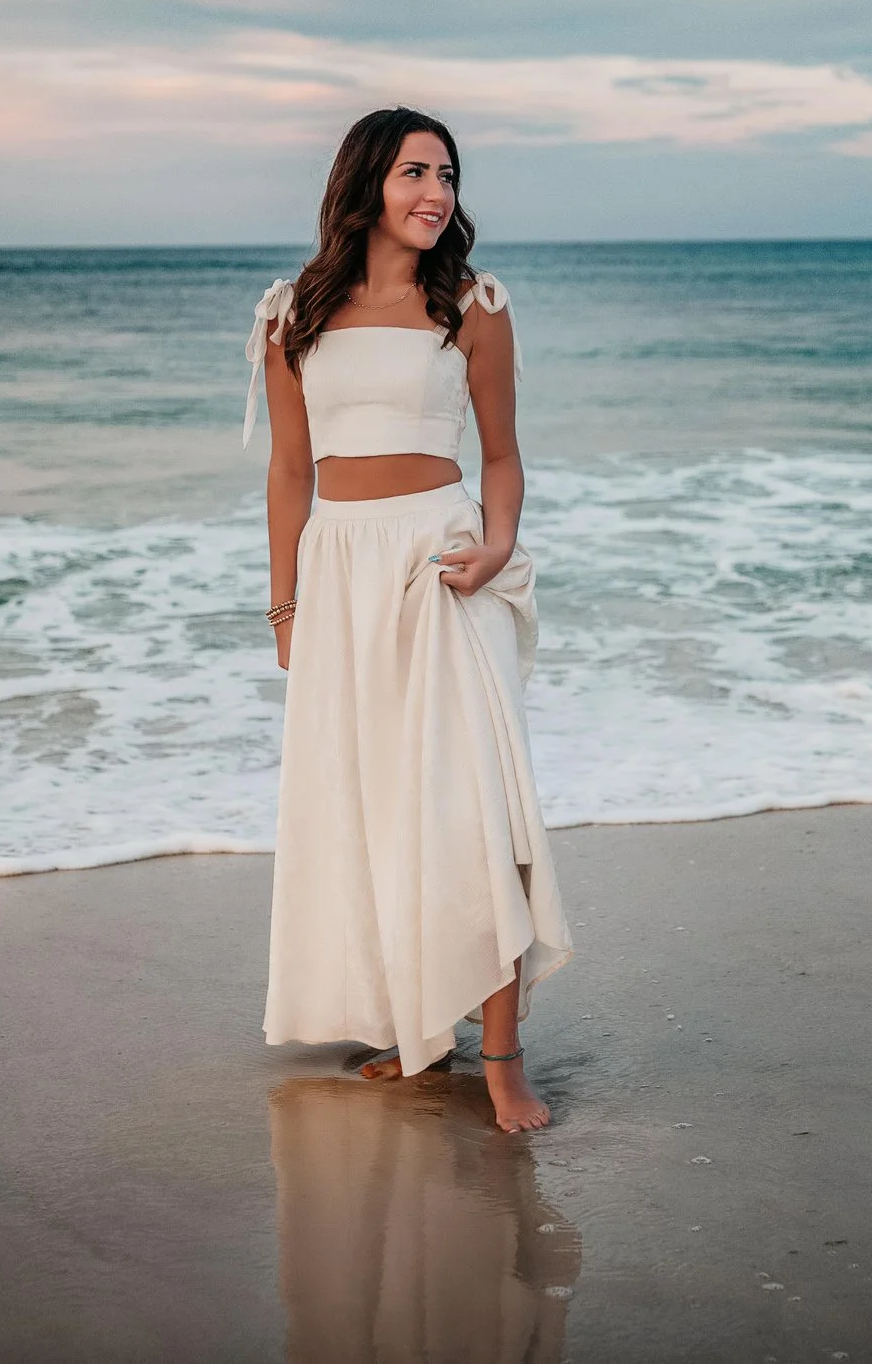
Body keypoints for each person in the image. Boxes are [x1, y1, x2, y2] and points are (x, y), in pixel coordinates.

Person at [248, 107, 572, 1134]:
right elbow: (290, 471)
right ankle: (419, 1028)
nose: (436, 191)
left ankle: (506, 1054)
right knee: (374, 805)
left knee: (472, 803)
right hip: (339, 571)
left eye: (447, 172)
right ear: (363, 185)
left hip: (440, 565)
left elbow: (504, 455)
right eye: (413, 172)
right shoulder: (290, 312)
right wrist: (284, 603)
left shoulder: (473, 305)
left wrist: (500, 544)